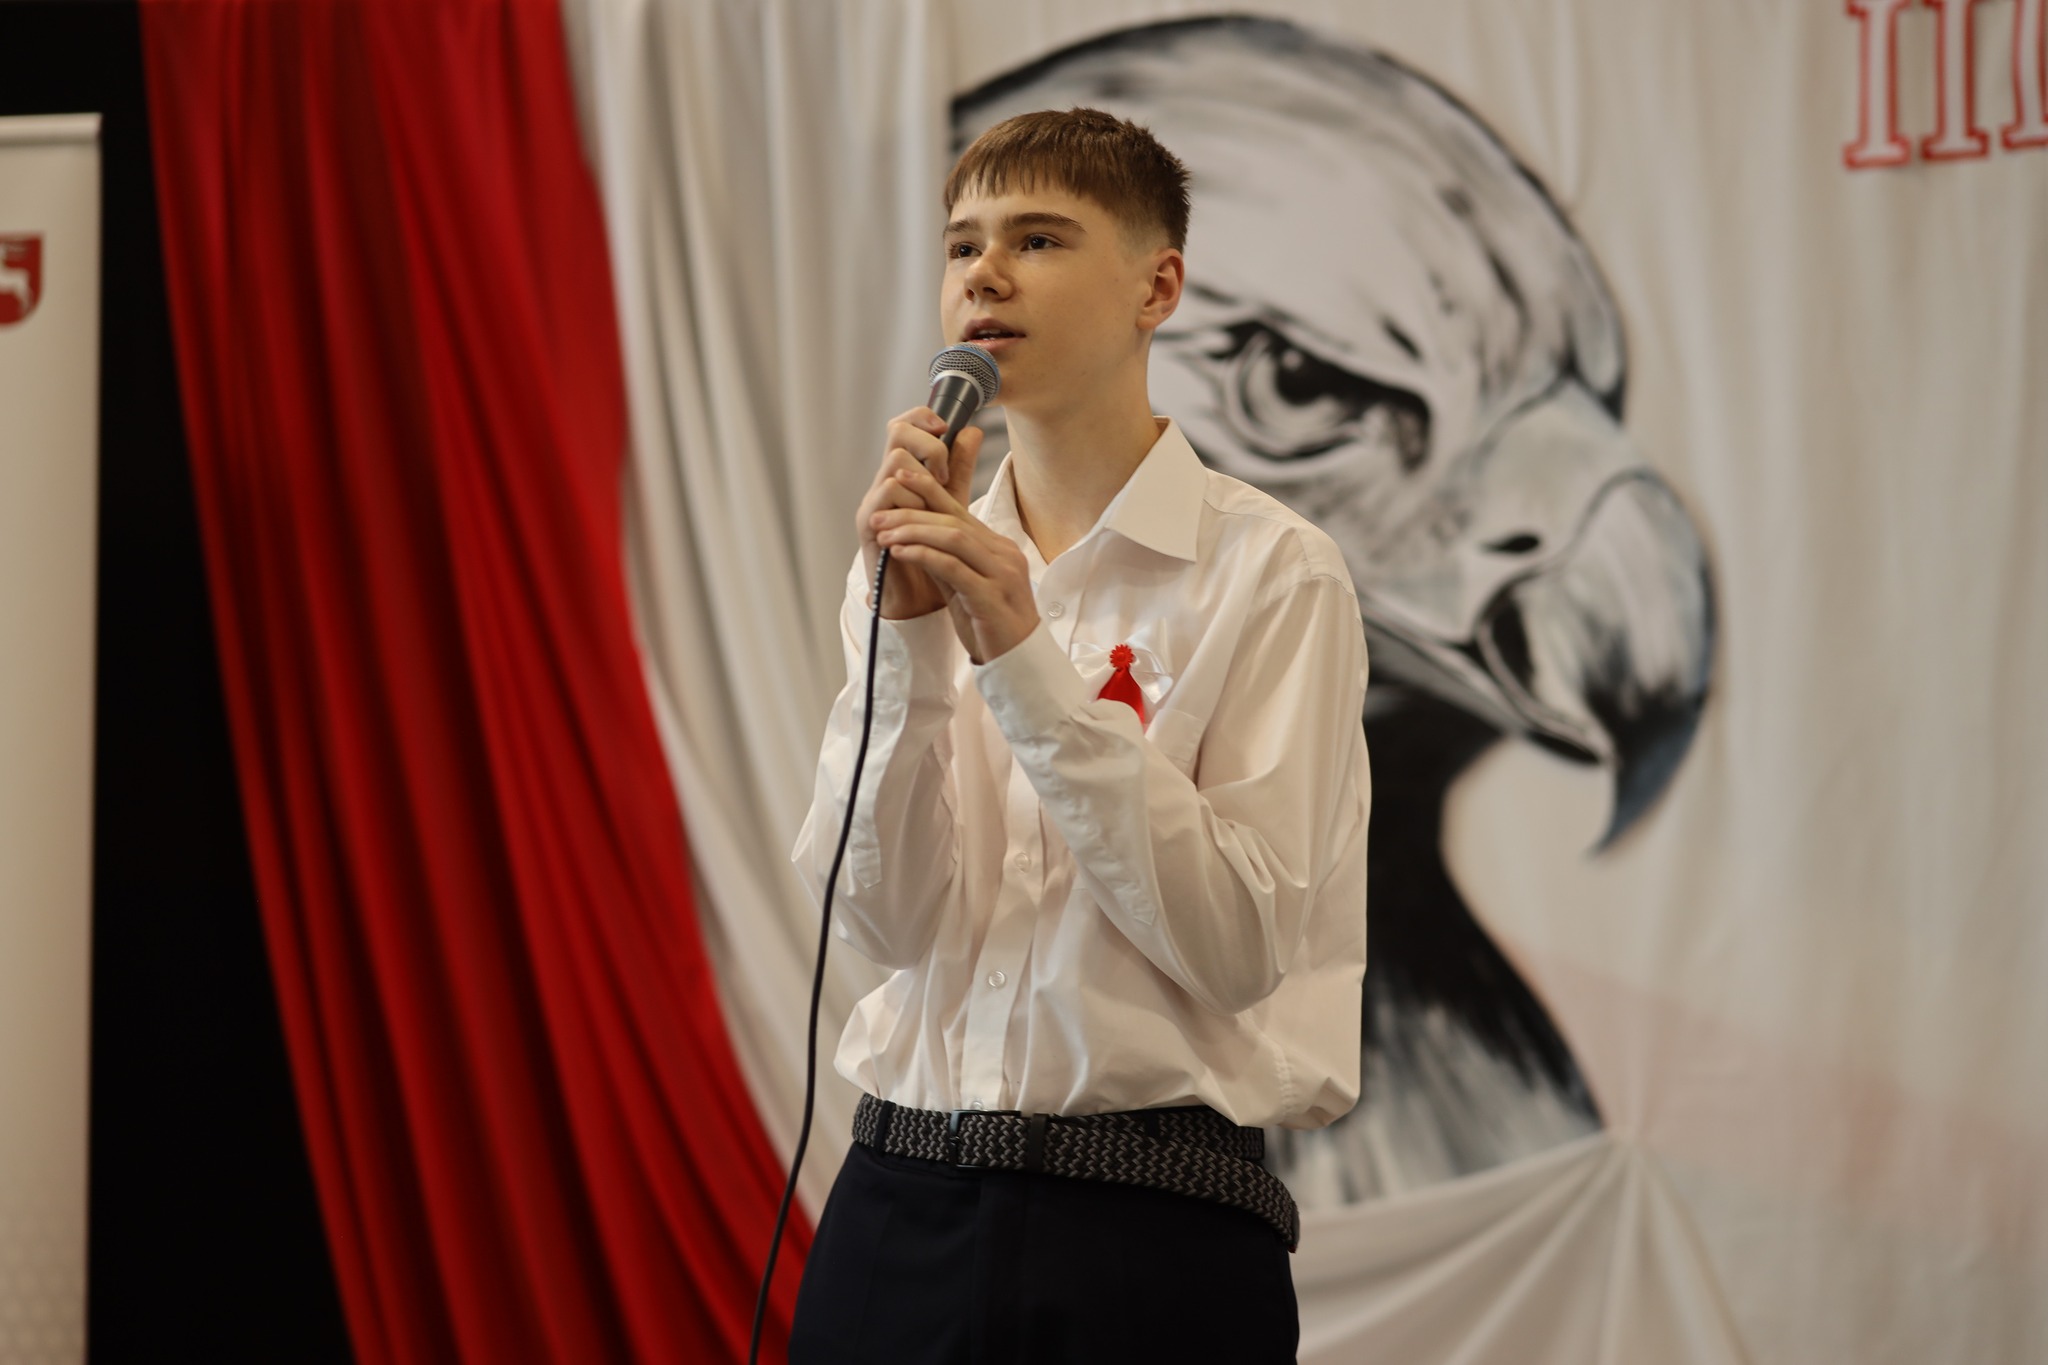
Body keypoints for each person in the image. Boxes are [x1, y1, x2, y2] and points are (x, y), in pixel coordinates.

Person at [788, 107, 1371, 1364]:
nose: (983, 275)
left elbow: (1237, 944)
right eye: (962, 245)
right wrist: (912, 648)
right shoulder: (909, 558)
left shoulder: (1272, 572)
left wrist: (1022, 660)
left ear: (1157, 287)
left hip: (1152, 1230)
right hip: (896, 1205)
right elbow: (878, 921)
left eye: (1038, 239)